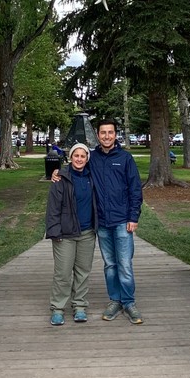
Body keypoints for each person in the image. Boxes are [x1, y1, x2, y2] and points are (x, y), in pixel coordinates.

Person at [91, 119, 144, 323]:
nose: (106, 136)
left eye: (110, 132)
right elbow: (76, 170)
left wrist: (133, 217)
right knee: (110, 264)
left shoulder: (125, 158)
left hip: (123, 221)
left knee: (124, 264)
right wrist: (56, 173)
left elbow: (135, 189)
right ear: (98, 135)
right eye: (103, 132)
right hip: (102, 222)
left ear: (115, 135)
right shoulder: (92, 158)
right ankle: (115, 300)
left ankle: (129, 302)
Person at [43, 143, 96, 326]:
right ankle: (57, 308)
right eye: (76, 155)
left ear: (87, 158)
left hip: (87, 232)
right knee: (63, 273)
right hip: (65, 234)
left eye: (83, 156)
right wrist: (54, 231)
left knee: (82, 272)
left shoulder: (92, 177)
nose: (79, 159)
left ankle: (79, 305)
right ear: (70, 157)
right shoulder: (61, 179)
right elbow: (52, 209)